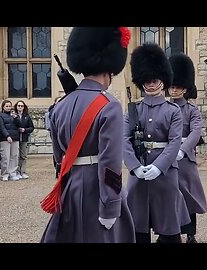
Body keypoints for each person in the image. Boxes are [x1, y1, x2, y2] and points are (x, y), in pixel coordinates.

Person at [41, 27, 135, 243]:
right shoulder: (109, 106)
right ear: (109, 70)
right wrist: (110, 207)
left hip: (71, 188)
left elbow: (59, 157)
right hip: (98, 192)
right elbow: (110, 164)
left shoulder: (60, 106)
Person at [124, 42, 190, 243]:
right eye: (147, 80)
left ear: (162, 80)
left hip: (165, 173)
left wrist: (159, 166)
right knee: (137, 227)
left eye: (155, 80)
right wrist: (134, 167)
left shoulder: (173, 111)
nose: (151, 84)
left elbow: (174, 142)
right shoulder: (133, 111)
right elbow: (123, 140)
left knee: (169, 228)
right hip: (139, 171)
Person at [169, 53, 207, 243]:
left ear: (184, 89)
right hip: (167, 158)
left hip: (185, 159)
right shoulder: (164, 108)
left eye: (177, 87)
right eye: (172, 86)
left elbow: (195, 133)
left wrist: (182, 149)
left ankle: (191, 233)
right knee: (169, 196)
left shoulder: (191, 111)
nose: (173, 90)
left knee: (188, 197)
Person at [0, 100, 20, 181]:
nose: (8, 108)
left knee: (14, 156)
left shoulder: (14, 115)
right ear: (3, 107)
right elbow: (1, 126)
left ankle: (13, 173)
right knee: (5, 157)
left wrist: (16, 118)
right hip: (5, 138)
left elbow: (19, 125)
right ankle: (5, 174)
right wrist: (7, 136)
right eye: (6, 106)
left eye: (9, 106)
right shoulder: (0, 115)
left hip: (15, 137)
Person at [14, 100, 34, 179]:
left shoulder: (27, 116)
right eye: (19, 106)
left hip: (24, 138)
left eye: (21, 106)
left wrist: (25, 130)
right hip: (16, 138)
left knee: (23, 156)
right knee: (16, 156)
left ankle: (23, 171)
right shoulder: (13, 116)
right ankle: (17, 171)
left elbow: (31, 127)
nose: (20, 107)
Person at [46, 96, 63, 178]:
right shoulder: (52, 111)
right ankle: (57, 167)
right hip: (55, 132)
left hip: (62, 133)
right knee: (56, 151)